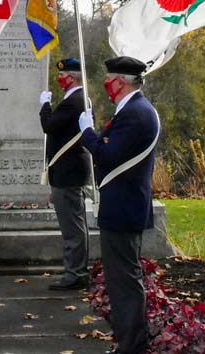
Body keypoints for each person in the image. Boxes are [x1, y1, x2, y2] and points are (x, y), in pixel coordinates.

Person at [78, 56, 160, 354]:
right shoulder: (131, 110)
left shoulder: (136, 113)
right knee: (122, 281)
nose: (106, 85)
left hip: (124, 208)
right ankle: (128, 342)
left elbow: (109, 156)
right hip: (122, 206)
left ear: (121, 82)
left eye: (109, 79)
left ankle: (132, 346)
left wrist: (87, 132)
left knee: (125, 283)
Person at [39, 57, 90, 290]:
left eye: (62, 76)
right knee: (75, 223)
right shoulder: (80, 99)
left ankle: (75, 274)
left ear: (71, 78)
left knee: (72, 227)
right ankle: (78, 271)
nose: (59, 80)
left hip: (67, 171)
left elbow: (49, 126)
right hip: (68, 169)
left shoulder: (74, 101)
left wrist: (45, 107)